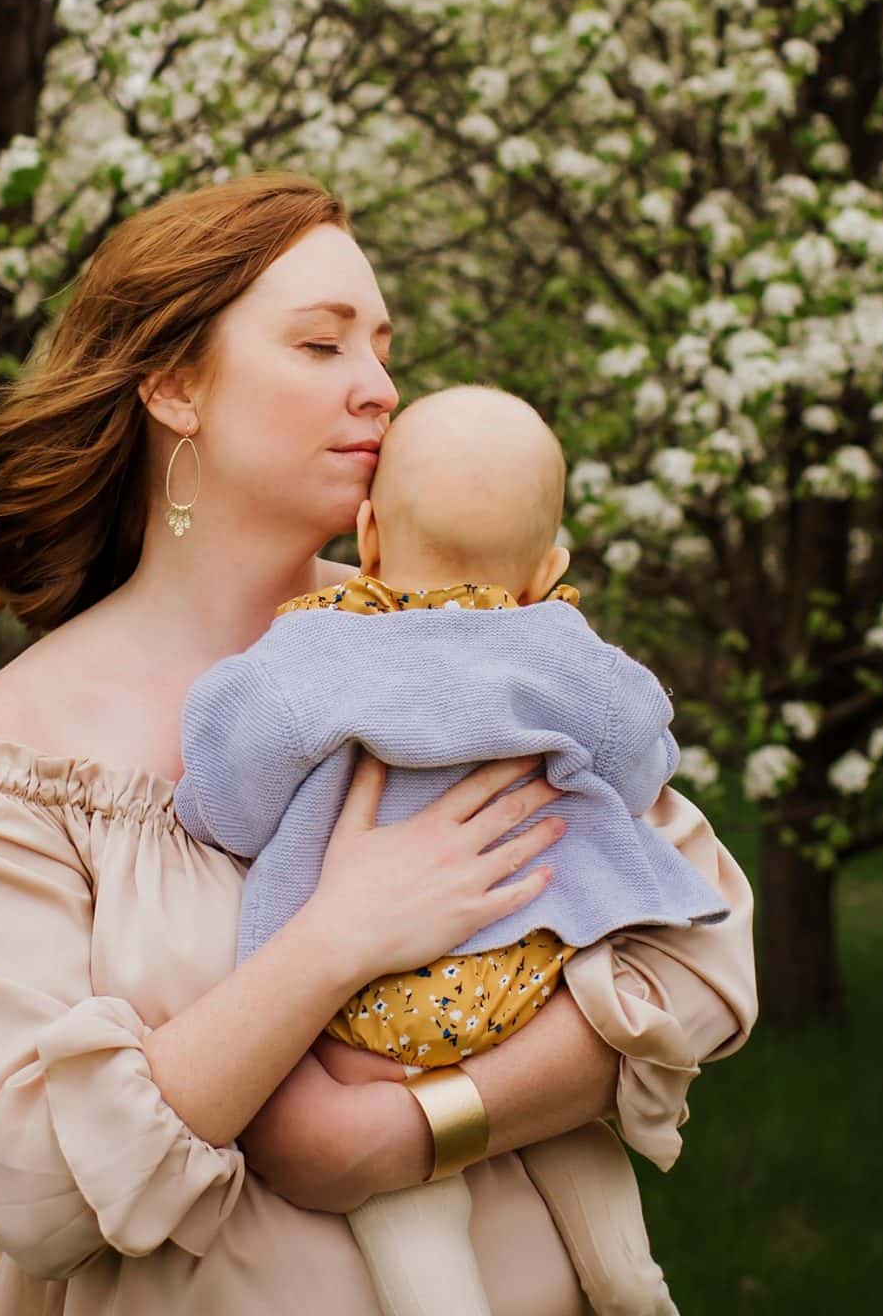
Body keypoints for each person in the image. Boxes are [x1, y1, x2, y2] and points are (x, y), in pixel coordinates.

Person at [0, 172, 756, 1316]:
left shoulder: (468, 648)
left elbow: (706, 951)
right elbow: (32, 1192)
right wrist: (332, 940)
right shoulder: (17, 753)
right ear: (178, 387)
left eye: (384, 348)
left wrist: (406, 1129)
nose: (380, 389)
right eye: (322, 345)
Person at [173, 382, 744, 1316]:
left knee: (404, 1195)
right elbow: (639, 761)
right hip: (529, 974)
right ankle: (629, 1282)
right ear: (548, 566)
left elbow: (228, 806)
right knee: (564, 1131)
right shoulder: (558, 650)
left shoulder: (306, 658)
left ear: (364, 539)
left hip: (370, 1010)